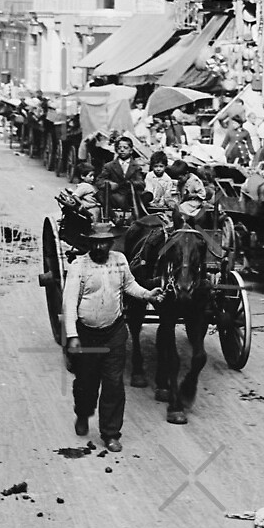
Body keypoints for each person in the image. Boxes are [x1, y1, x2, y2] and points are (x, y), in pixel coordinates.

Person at [63, 224, 162, 452]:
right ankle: (82, 413)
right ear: (89, 243)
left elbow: (130, 285)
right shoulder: (79, 266)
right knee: (86, 384)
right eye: (95, 242)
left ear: (111, 243)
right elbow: (69, 304)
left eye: (105, 242)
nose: (100, 246)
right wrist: (72, 336)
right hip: (87, 335)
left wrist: (148, 294)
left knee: (114, 384)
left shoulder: (120, 260)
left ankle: (110, 433)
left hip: (114, 333)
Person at [96, 136, 145, 215]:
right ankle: (114, 217)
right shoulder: (109, 166)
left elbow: (141, 183)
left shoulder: (136, 166)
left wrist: (131, 183)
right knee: (101, 194)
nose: (122, 150)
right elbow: (99, 181)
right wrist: (109, 183)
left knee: (143, 195)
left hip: (129, 196)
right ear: (116, 150)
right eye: (119, 148)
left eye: (125, 148)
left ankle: (133, 218)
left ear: (131, 150)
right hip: (114, 195)